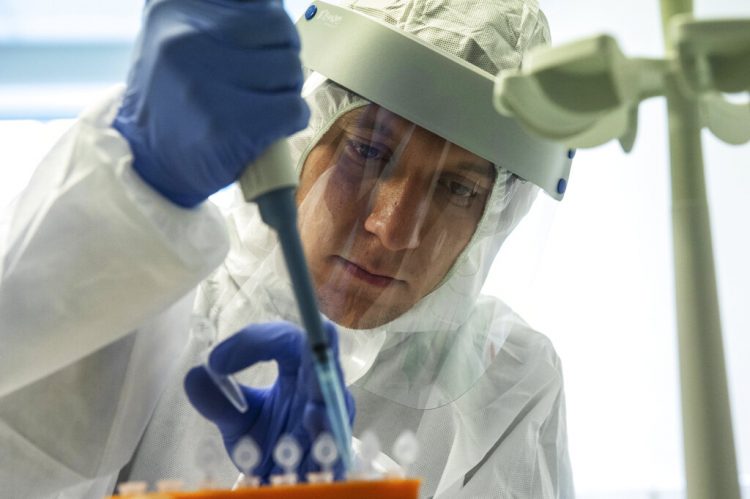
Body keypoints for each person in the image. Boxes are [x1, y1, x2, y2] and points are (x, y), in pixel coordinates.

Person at [0, 0, 574, 497]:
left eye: (457, 188)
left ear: (497, 213)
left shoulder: (509, 385)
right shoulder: (157, 289)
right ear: (302, 141)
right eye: (368, 152)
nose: (392, 229)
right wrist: (118, 208)